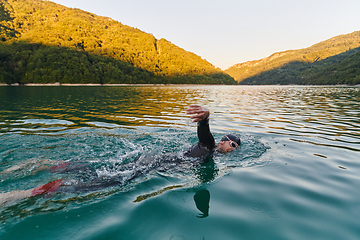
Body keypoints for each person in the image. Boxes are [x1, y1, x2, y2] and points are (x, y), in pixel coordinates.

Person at [0, 105, 240, 205]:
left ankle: (46, 164)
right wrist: (206, 118)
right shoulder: (209, 148)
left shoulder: (212, 156)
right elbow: (205, 138)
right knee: (103, 183)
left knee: (98, 167)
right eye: (233, 145)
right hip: (153, 166)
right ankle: (28, 192)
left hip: (152, 160)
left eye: (235, 148)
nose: (233, 150)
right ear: (223, 141)